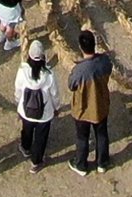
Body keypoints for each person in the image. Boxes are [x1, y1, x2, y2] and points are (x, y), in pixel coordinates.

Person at [68, 26, 114, 175]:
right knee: (102, 134)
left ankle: (81, 165)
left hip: (83, 109)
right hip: (100, 104)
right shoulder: (104, 61)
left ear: (81, 47)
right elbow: (109, 69)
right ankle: (102, 163)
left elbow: (71, 85)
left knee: (82, 137)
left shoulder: (80, 70)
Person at [15, 38, 60, 172]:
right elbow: (55, 94)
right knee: (41, 137)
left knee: (26, 130)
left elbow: (18, 89)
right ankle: (36, 162)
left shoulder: (23, 71)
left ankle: (25, 147)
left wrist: (18, 102)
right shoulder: (49, 74)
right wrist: (56, 108)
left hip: (26, 110)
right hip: (44, 113)